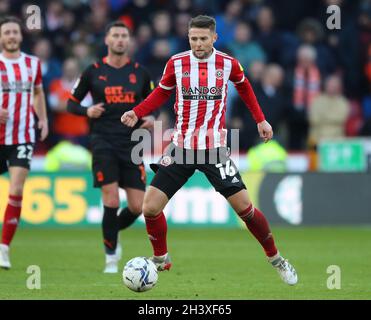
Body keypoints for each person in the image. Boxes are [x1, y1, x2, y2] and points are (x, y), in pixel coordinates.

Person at [121, 15, 298, 285]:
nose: (198, 44)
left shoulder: (228, 64)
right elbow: (161, 93)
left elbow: (245, 88)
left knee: (245, 209)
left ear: (214, 38)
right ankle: (160, 258)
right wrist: (137, 111)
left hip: (215, 149)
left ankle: (277, 259)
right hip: (181, 148)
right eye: (194, 38)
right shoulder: (177, 63)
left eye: (203, 38)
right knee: (150, 207)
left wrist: (260, 119)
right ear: (188, 38)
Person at [67, 21, 155, 273]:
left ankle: (110, 232)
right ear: (106, 40)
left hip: (132, 143)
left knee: (139, 206)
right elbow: (71, 104)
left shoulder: (141, 73)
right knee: (111, 199)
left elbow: (152, 103)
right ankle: (111, 257)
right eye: (115, 35)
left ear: (129, 41)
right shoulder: (92, 71)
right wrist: (88, 110)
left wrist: (149, 119)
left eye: (124, 36)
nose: (119, 40)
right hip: (103, 141)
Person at [0, 17, 48, 269]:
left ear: (20, 36)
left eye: (14, 32)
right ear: (1, 37)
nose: (11, 36)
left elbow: (38, 92)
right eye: (6, 32)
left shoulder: (32, 63)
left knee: (16, 189)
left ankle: (4, 247)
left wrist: (43, 119)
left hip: (22, 135)